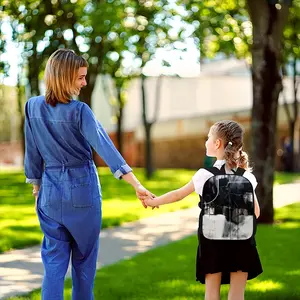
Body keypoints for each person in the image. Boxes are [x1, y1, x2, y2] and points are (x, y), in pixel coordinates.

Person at [24, 48, 154, 300]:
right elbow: (106, 147)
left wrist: (37, 188)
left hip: (49, 194)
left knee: (53, 264)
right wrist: (136, 184)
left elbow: (32, 153)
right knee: (84, 264)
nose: (84, 83)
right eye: (80, 77)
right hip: (82, 191)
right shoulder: (79, 111)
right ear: (64, 77)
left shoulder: (32, 107)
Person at [144, 120, 262, 300]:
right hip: (241, 242)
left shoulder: (204, 175)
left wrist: (154, 202)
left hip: (212, 243)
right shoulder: (247, 176)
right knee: (237, 295)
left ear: (217, 144)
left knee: (211, 294)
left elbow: (177, 195)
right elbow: (256, 212)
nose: (206, 142)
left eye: (208, 138)